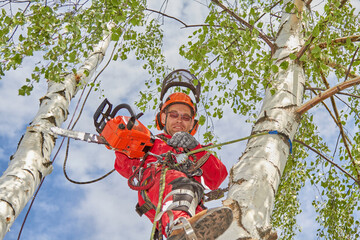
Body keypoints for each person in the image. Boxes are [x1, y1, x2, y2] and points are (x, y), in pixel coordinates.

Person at [113, 70, 232, 240]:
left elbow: (218, 177)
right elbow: (126, 168)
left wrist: (194, 146)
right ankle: (179, 226)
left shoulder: (198, 151)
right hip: (160, 189)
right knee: (180, 183)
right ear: (163, 117)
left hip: (191, 201)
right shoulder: (151, 142)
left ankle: (187, 230)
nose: (179, 120)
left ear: (192, 123)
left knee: (211, 224)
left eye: (185, 117)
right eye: (174, 115)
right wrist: (120, 143)